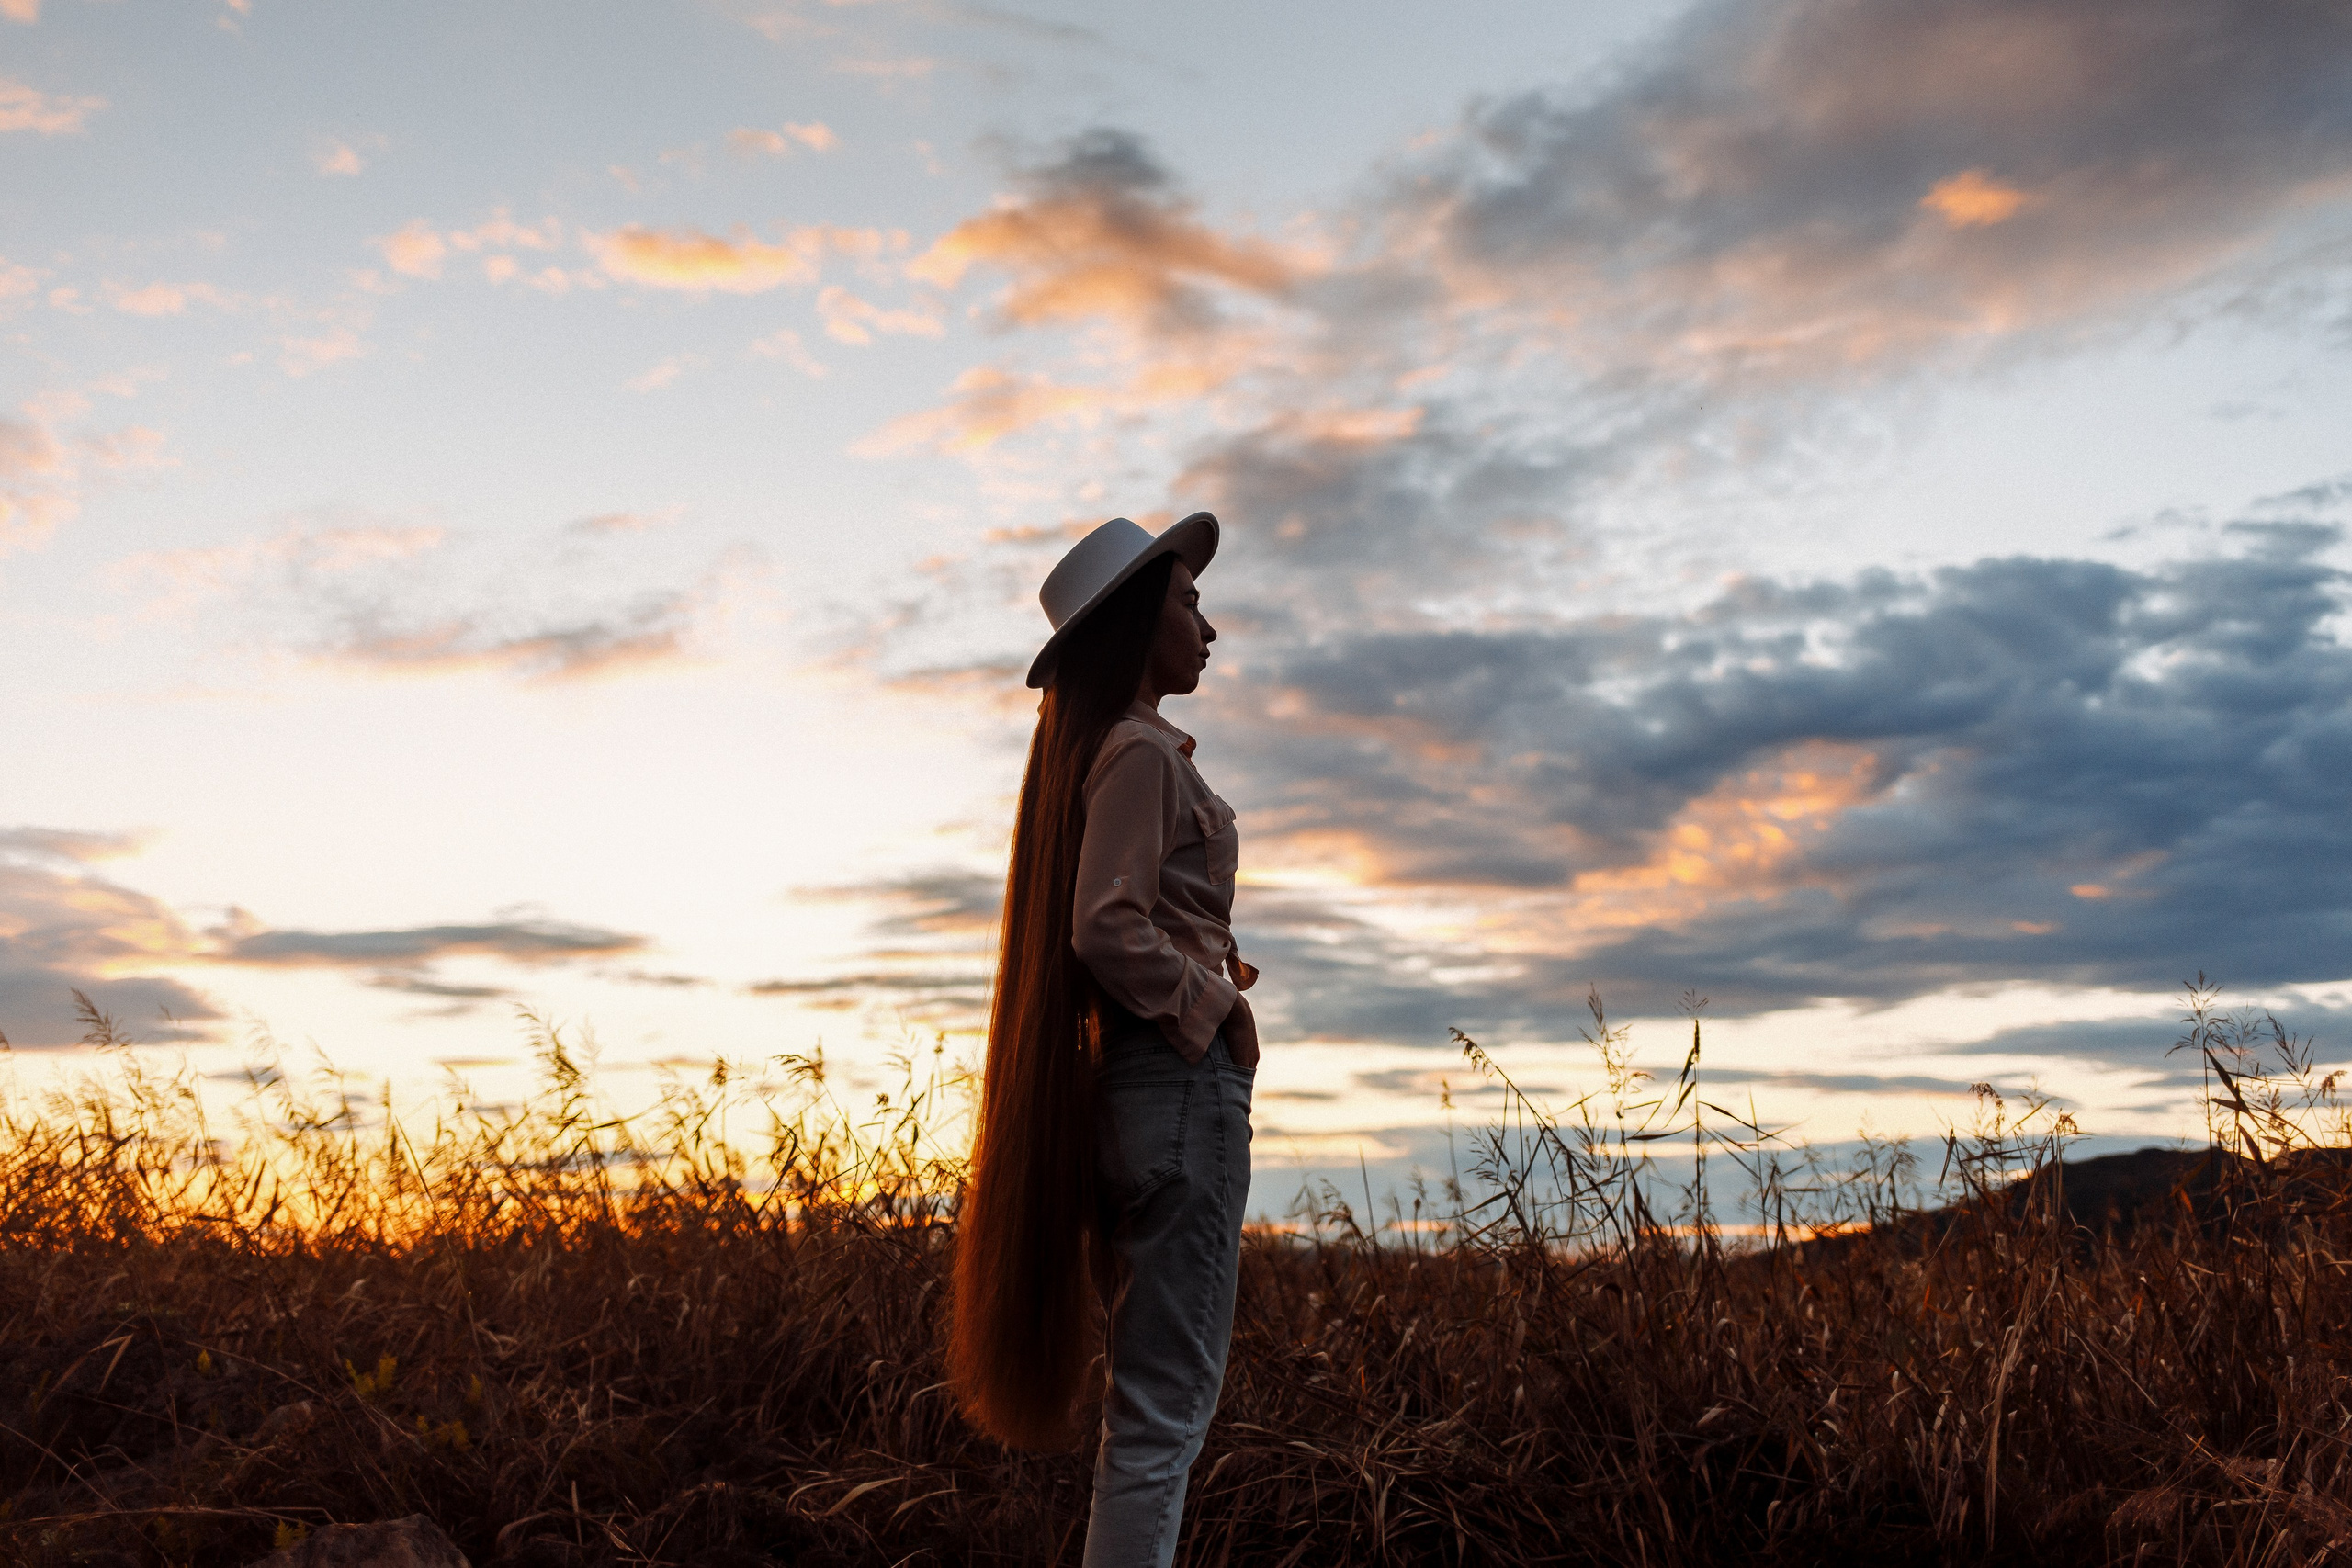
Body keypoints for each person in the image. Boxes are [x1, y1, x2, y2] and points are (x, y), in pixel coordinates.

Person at [950, 512, 1261, 1567]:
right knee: (1163, 1418)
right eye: (1188, 602)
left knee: (1145, 1418)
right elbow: (1105, 926)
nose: (1207, 627)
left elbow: (1107, 920)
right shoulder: (1139, 753)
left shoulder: (1108, 752)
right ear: (1138, 622)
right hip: (1177, 1091)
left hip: (1136, 1098)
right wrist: (1215, 1007)